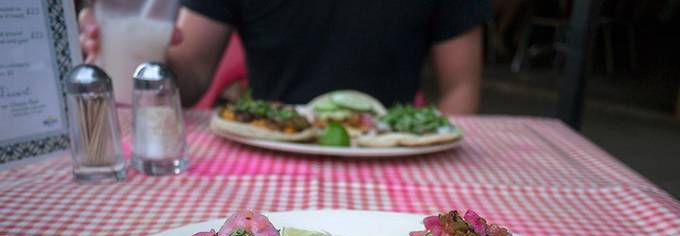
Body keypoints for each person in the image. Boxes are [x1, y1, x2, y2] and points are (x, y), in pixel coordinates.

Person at [80, 1, 491, 113]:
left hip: (393, 156)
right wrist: (139, 56)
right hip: (264, 148)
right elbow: (189, 75)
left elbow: (462, 88)